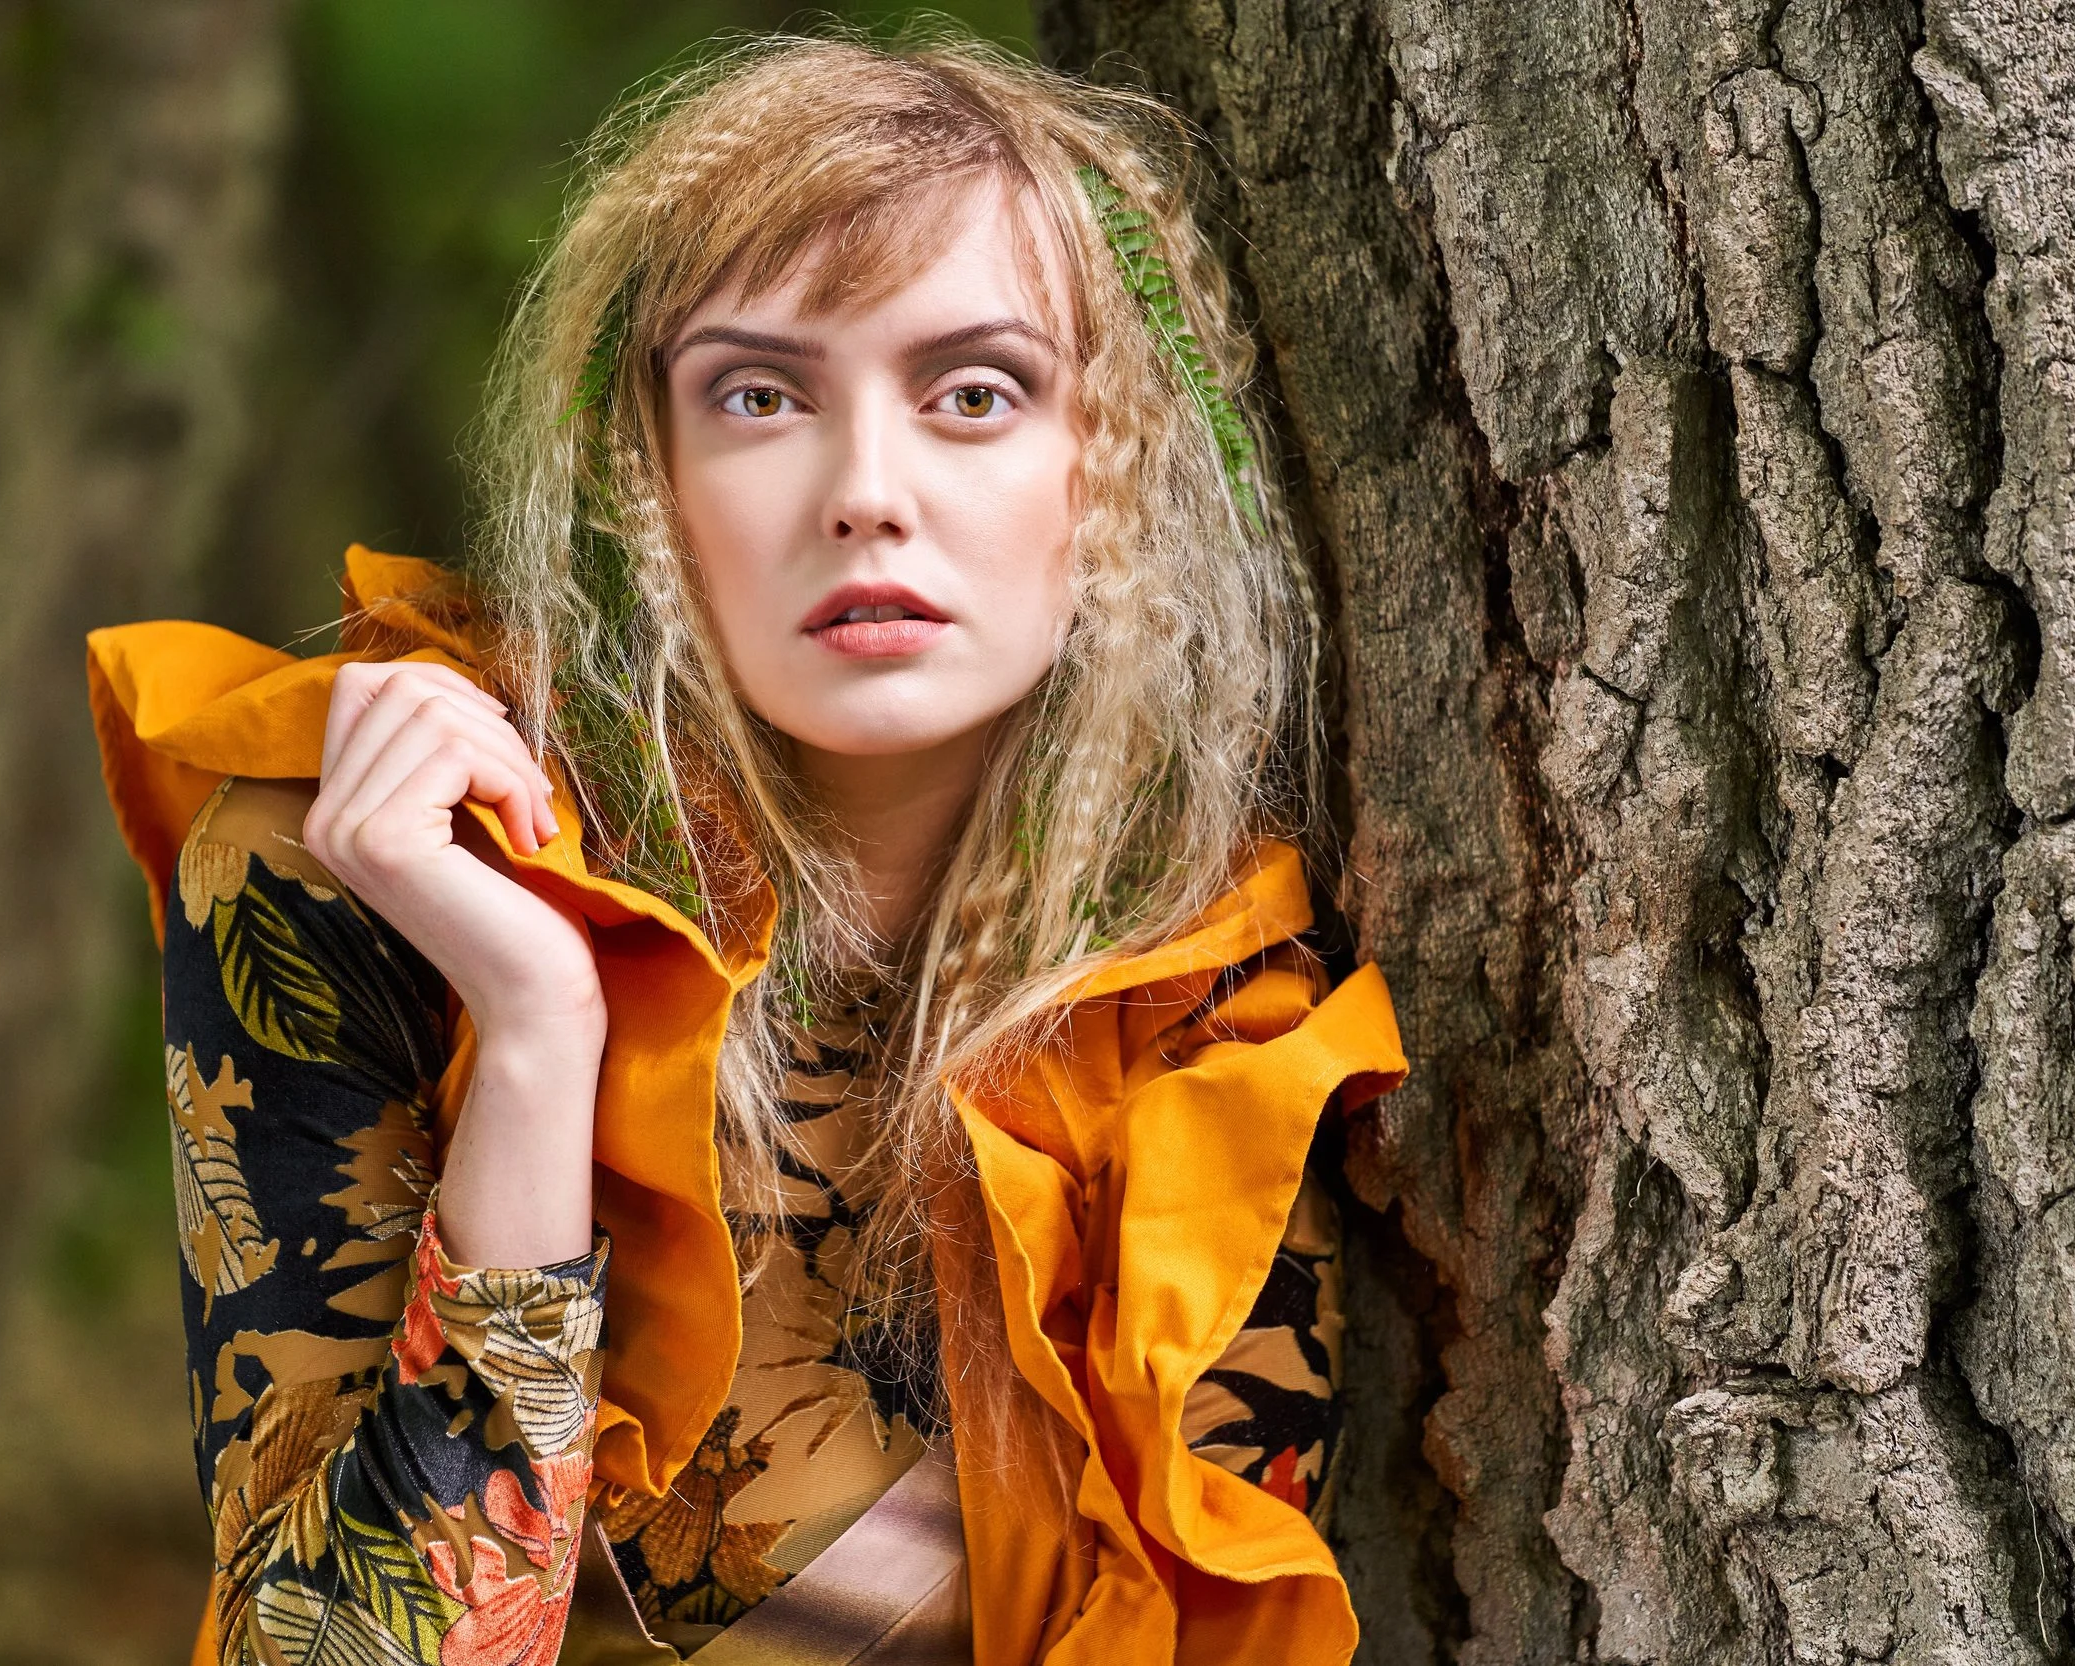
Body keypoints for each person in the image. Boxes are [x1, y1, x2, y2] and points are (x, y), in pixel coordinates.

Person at [90, 31, 1403, 1666]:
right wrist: (537, 1038)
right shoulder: (361, 863)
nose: (867, 490)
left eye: (975, 392)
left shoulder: (1216, 1013)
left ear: (1110, 470)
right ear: (651, 472)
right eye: (760, 395)